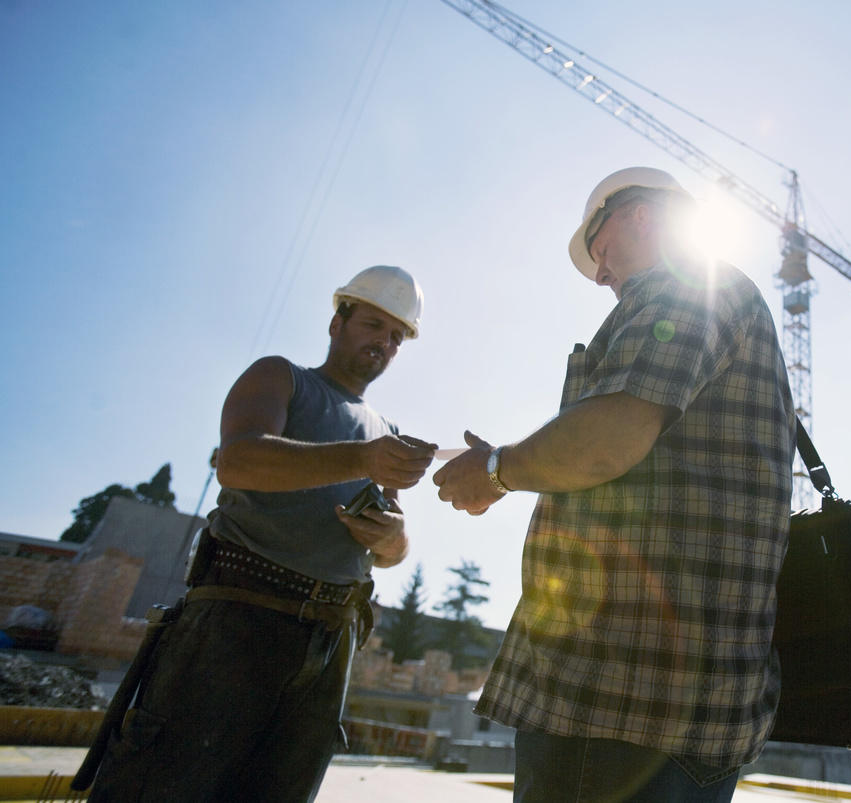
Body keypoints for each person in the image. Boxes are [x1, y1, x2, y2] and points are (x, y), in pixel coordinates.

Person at [434, 167, 796, 802]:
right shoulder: (721, 301)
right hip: (674, 710)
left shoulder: (687, 287)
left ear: (640, 218)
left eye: (599, 251)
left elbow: (607, 439)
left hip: (617, 699)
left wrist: (497, 471)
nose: (600, 275)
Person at [86, 265, 437, 803]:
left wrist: (392, 539)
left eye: (396, 337)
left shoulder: (385, 430)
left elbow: (392, 548)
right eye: (373, 325)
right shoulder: (281, 376)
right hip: (237, 623)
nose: (384, 344)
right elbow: (240, 460)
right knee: (166, 787)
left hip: (329, 637)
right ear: (336, 322)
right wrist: (363, 458)